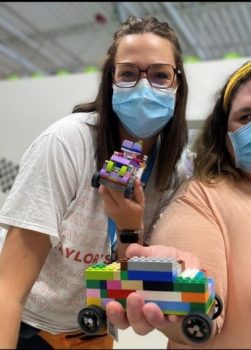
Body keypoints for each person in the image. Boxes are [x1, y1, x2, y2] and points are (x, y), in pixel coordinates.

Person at [105, 57, 251, 349]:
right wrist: (180, 295)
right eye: (246, 116)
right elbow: (201, 313)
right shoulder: (202, 201)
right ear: (225, 138)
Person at [0, 15, 190, 349]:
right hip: (28, 326)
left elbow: (130, 288)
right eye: (128, 74)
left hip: (92, 330)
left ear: (178, 84)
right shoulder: (67, 143)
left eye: (160, 75)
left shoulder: (175, 173)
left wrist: (130, 229)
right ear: (110, 80)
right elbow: (8, 288)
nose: (144, 87)